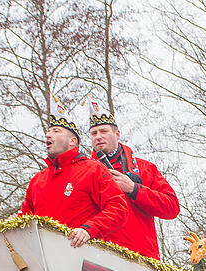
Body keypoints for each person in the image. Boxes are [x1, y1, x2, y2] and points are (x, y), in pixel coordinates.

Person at [20, 95, 129, 248]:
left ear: (72, 141)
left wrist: (89, 229)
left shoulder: (93, 170)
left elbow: (118, 208)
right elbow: (23, 221)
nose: (48, 135)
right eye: (48, 131)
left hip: (81, 257)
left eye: (56, 131)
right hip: (42, 258)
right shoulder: (37, 180)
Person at [88, 103, 180, 260]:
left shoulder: (145, 168)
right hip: (99, 259)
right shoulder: (85, 173)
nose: (98, 136)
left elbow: (172, 207)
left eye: (104, 131)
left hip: (142, 259)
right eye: (93, 133)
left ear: (117, 134)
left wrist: (134, 189)